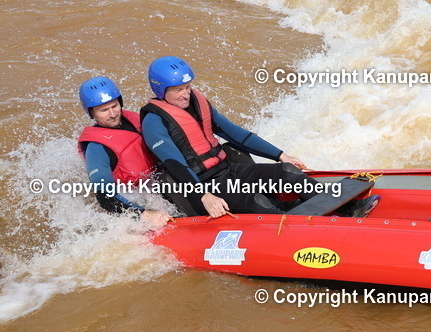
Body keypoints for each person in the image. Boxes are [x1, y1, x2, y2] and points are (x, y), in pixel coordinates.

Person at [139, 56, 378, 218]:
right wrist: (205, 196)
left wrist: (281, 155)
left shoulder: (197, 102)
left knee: (287, 173)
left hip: (229, 170)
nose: (186, 94)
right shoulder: (154, 121)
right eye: (178, 90)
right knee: (259, 203)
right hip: (204, 184)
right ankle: (294, 224)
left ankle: (348, 209)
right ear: (161, 91)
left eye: (188, 87)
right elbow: (175, 164)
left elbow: (235, 134)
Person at [77, 76, 171, 226]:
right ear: (92, 113)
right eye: (104, 110)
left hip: (159, 181)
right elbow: (105, 198)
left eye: (114, 106)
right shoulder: (96, 148)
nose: (113, 114)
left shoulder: (134, 119)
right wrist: (144, 214)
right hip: (135, 199)